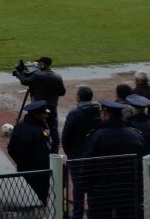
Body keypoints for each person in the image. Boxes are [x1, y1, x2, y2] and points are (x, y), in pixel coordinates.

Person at [82, 100, 145, 219]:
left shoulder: (97, 136)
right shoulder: (135, 135)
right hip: (128, 189)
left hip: (102, 190)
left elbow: (88, 164)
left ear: (106, 115)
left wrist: (86, 186)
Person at [61, 86, 101, 219]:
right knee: (93, 183)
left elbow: (66, 136)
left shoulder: (75, 113)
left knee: (78, 184)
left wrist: (69, 152)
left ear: (78, 97)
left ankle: (78, 213)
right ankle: (92, 211)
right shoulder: (99, 111)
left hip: (77, 154)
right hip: (93, 153)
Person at [7, 100, 52, 204]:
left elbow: (10, 149)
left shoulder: (19, 126)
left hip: (22, 170)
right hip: (39, 175)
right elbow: (43, 157)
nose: (46, 116)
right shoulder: (38, 132)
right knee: (40, 202)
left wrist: (21, 163)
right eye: (44, 114)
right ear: (37, 115)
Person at [17, 56, 65, 153]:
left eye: (39, 63)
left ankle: (37, 147)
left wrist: (19, 73)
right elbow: (62, 92)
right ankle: (55, 151)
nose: (38, 65)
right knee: (53, 129)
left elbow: (24, 81)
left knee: (36, 126)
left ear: (43, 64)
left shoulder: (38, 75)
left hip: (39, 108)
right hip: (52, 106)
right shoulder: (58, 76)